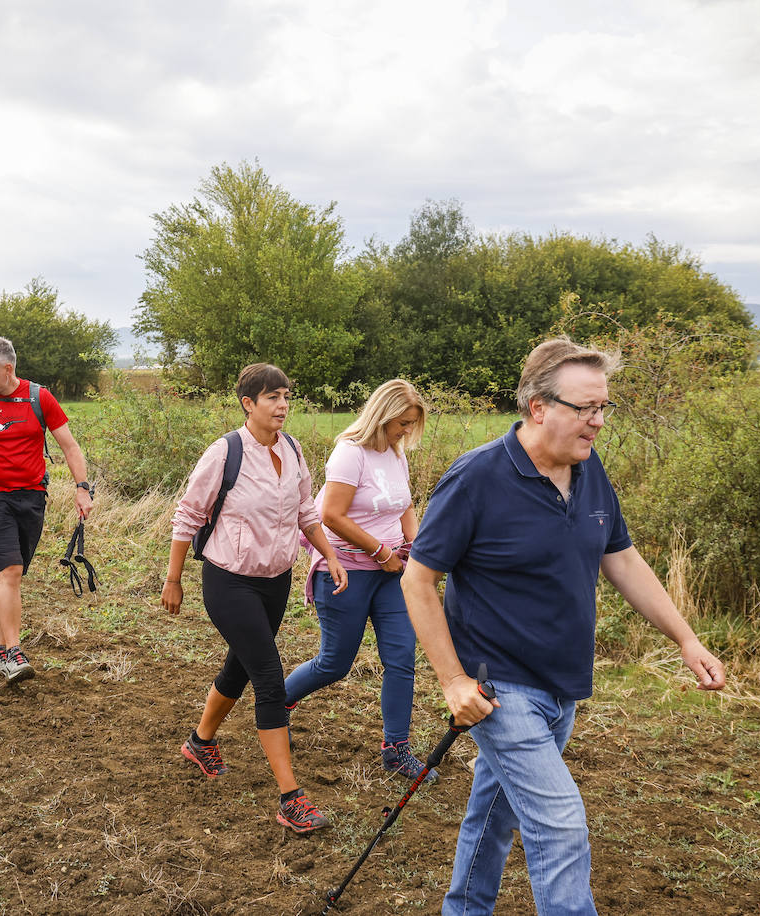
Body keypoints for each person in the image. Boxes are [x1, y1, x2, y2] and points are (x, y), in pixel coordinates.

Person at [400, 337, 727, 916]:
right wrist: (453, 682)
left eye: (604, 407)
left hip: (563, 682)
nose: (598, 421)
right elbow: (418, 580)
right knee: (560, 825)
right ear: (538, 407)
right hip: (498, 687)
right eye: (585, 408)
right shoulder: (476, 478)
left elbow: (620, 557)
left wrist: (686, 638)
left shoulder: (587, 467)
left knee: (496, 813)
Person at [162, 363, 349, 834]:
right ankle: (291, 798)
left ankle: (200, 742)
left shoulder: (294, 449)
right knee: (268, 676)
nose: (282, 406)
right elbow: (188, 515)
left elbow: (307, 511)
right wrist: (174, 578)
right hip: (230, 580)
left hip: (276, 579)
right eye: (272, 398)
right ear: (249, 403)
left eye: (286, 396)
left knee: (241, 665)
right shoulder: (225, 453)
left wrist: (329, 556)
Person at [283, 379, 437, 782]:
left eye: (411, 424)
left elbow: (404, 507)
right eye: (402, 423)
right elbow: (331, 515)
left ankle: (396, 748)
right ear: (382, 416)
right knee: (334, 664)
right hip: (346, 570)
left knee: (401, 660)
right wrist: (381, 552)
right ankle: (275, 706)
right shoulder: (350, 454)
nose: (406, 431)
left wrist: (417, 551)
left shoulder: (396, 454)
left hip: (392, 575)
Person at [0, 336, 94, 684]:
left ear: (7, 369)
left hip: (31, 497)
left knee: (11, 575)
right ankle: (12, 652)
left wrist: (82, 487)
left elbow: (70, 447)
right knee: (10, 569)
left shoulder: (39, 398)